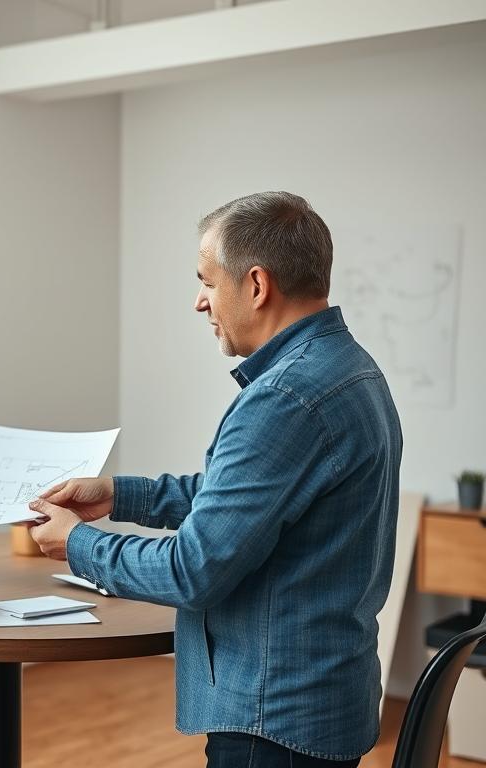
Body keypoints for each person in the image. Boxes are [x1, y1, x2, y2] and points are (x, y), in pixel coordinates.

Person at [27, 192, 402, 766]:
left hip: (271, 720)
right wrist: (121, 494)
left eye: (206, 280)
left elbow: (193, 570)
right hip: (325, 700)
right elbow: (248, 502)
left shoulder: (283, 399)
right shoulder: (352, 371)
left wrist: (77, 544)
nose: (199, 302)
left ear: (256, 284)